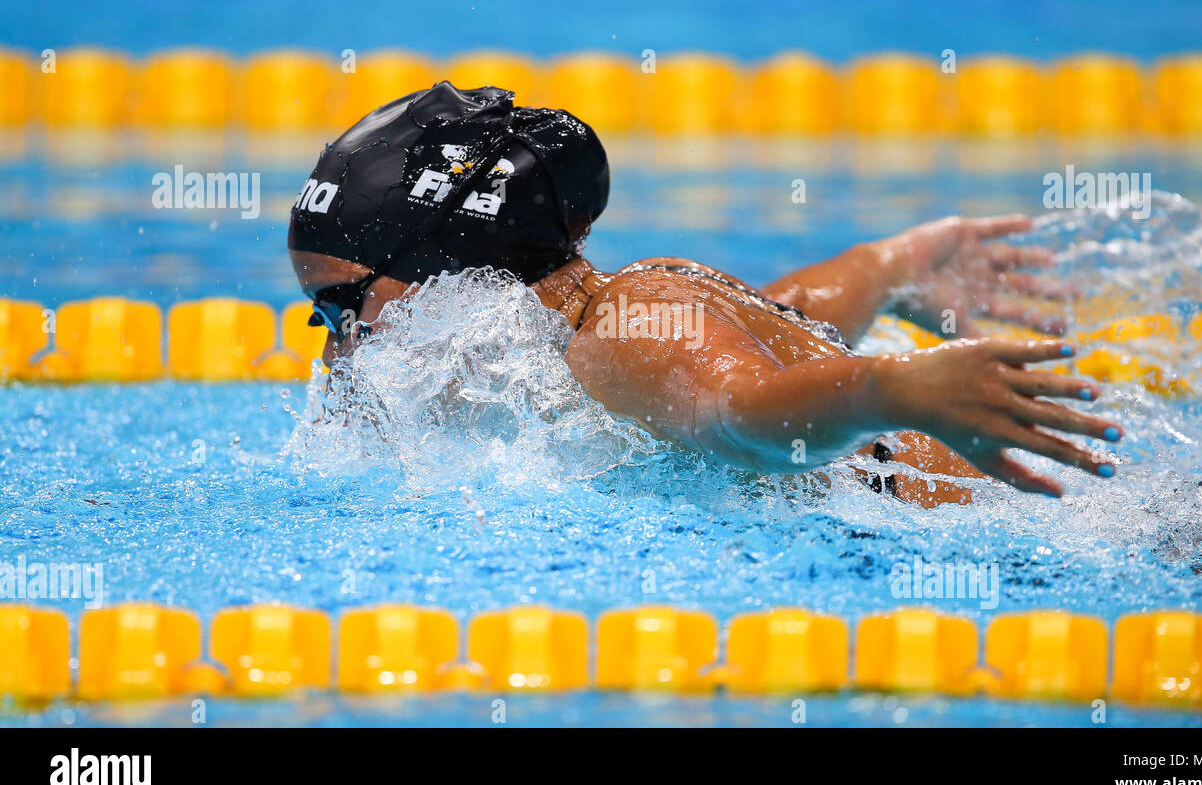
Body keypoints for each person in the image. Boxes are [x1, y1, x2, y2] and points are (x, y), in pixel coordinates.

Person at [289, 82, 1122, 503]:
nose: (333, 341)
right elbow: (792, 318)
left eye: (341, 304)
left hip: (1023, 519)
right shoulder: (617, 315)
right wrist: (891, 264)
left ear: (451, 262)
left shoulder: (615, 335)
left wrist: (893, 387)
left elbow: (747, 413)